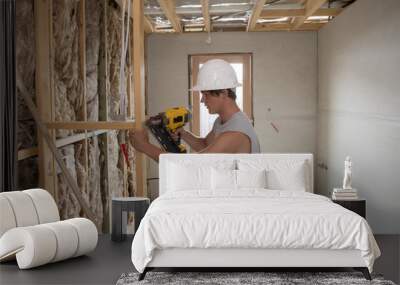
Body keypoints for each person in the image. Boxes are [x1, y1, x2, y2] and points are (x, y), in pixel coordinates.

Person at [130, 59, 260, 162]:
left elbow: (191, 166)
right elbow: (204, 145)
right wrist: (184, 133)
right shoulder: (223, 121)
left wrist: (144, 146)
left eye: (206, 94)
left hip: (239, 195)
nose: (202, 100)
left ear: (224, 93)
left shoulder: (235, 134)